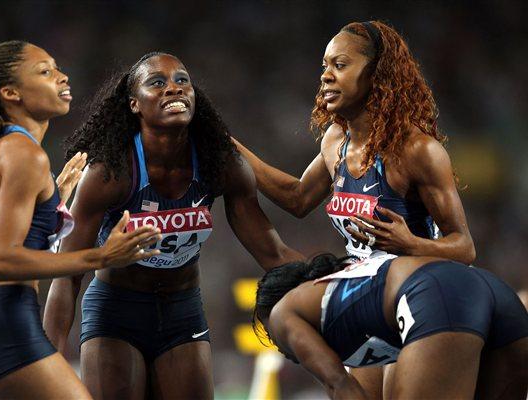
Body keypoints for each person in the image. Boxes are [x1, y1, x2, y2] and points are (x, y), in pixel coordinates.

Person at [233, 20, 476, 396]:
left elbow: (464, 248)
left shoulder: (418, 151)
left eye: (340, 66)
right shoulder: (336, 141)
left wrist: (410, 243)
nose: (326, 77)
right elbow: (297, 198)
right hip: (365, 300)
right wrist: (228, 146)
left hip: (417, 297)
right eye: (324, 67)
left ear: (377, 75)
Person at [43, 52, 303, 400]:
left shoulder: (221, 163)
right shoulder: (109, 173)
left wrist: (333, 285)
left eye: (182, 81)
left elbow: (273, 253)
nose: (174, 89)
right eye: (157, 82)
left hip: (182, 311)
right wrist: (48, 363)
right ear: (134, 104)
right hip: (116, 312)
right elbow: (67, 276)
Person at [0, 41, 162, 400]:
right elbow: (5, 260)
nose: (62, 76)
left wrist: (54, 201)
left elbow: (0, 232)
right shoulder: (23, 152)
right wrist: (103, 257)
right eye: (45, 72)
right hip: (3, 321)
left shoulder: (1, 147)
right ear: (11, 93)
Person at [254, 252, 528, 399]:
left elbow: (341, 386)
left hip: (437, 295)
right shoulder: (343, 294)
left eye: (269, 335)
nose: (279, 346)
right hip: (493, 292)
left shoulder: (282, 314)